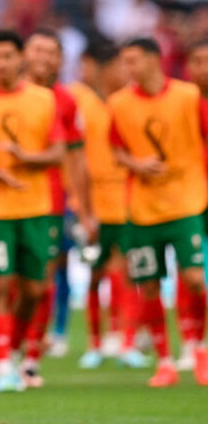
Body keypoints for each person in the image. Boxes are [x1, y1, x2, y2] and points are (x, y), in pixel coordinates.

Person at [0, 29, 65, 393]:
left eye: (7, 56)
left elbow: (58, 152)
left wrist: (27, 159)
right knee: (0, 282)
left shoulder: (44, 100)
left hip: (37, 207)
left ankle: (15, 350)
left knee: (34, 289)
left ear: (21, 59)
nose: (1, 63)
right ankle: (2, 364)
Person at [109, 37, 208, 387]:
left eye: (133, 60)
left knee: (195, 278)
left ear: (155, 60)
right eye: (125, 61)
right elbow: (116, 148)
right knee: (149, 287)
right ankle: (165, 361)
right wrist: (135, 163)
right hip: (142, 210)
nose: (128, 68)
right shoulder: (118, 103)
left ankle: (198, 349)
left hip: (186, 202)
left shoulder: (189, 96)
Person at [19, 29, 94, 386]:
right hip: (6, 201)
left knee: (43, 278)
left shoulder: (66, 101)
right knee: (7, 281)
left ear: (60, 60)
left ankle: (32, 354)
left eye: (52, 52)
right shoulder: (6, 94)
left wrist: (85, 208)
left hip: (50, 203)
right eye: (38, 50)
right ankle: (10, 344)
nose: (44, 58)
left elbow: (77, 160)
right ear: (25, 54)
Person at [69, 40, 145, 369]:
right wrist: (83, 208)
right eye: (119, 65)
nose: (124, 72)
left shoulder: (128, 101)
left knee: (125, 271)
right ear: (103, 67)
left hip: (126, 200)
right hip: (91, 200)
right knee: (95, 273)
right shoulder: (77, 100)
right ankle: (95, 343)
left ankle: (125, 340)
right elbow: (76, 159)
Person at [177, 39, 208, 371]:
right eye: (196, 61)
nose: (202, 68)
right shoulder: (180, 102)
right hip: (190, 196)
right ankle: (191, 341)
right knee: (190, 273)